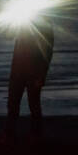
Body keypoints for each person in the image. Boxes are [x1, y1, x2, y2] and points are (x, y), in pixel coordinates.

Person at [5, 15, 53, 144]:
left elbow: (47, 51)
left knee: (34, 105)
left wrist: (42, 75)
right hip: (17, 71)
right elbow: (8, 36)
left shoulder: (45, 25)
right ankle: (10, 134)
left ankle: (36, 135)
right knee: (13, 103)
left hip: (33, 73)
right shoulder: (22, 22)